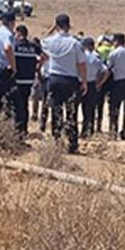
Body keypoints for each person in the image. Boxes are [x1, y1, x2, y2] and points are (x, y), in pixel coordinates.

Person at [42, 14, 88, 152]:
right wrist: (84, 81)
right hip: (70, 80)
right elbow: (81, 64)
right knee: (71, 112)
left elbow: (43, 46)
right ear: (69, 25)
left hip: (54, 78)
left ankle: (56, 142)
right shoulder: (75, 43)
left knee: (56, 111)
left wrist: (52, 29)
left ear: (56, 25)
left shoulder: (49, 42)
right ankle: (72, 144)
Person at [10, 25, 43, 134]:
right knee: (24, 104)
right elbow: (45, 56)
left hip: (17, 79)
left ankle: (16, 129)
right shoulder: (33, 46)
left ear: (19, 33)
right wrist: (37, 66)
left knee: (15, 105)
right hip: (29, 80)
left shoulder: (15, 45)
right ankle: (24, 129)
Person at [80, 37, 107, 138]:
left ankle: (79, 131)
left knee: (78, 107)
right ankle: (88, 130)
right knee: (90, 109)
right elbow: (106, 71)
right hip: (92, 84)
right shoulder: (97, 57)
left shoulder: (81, 56)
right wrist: (100, 83)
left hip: (80, 83)